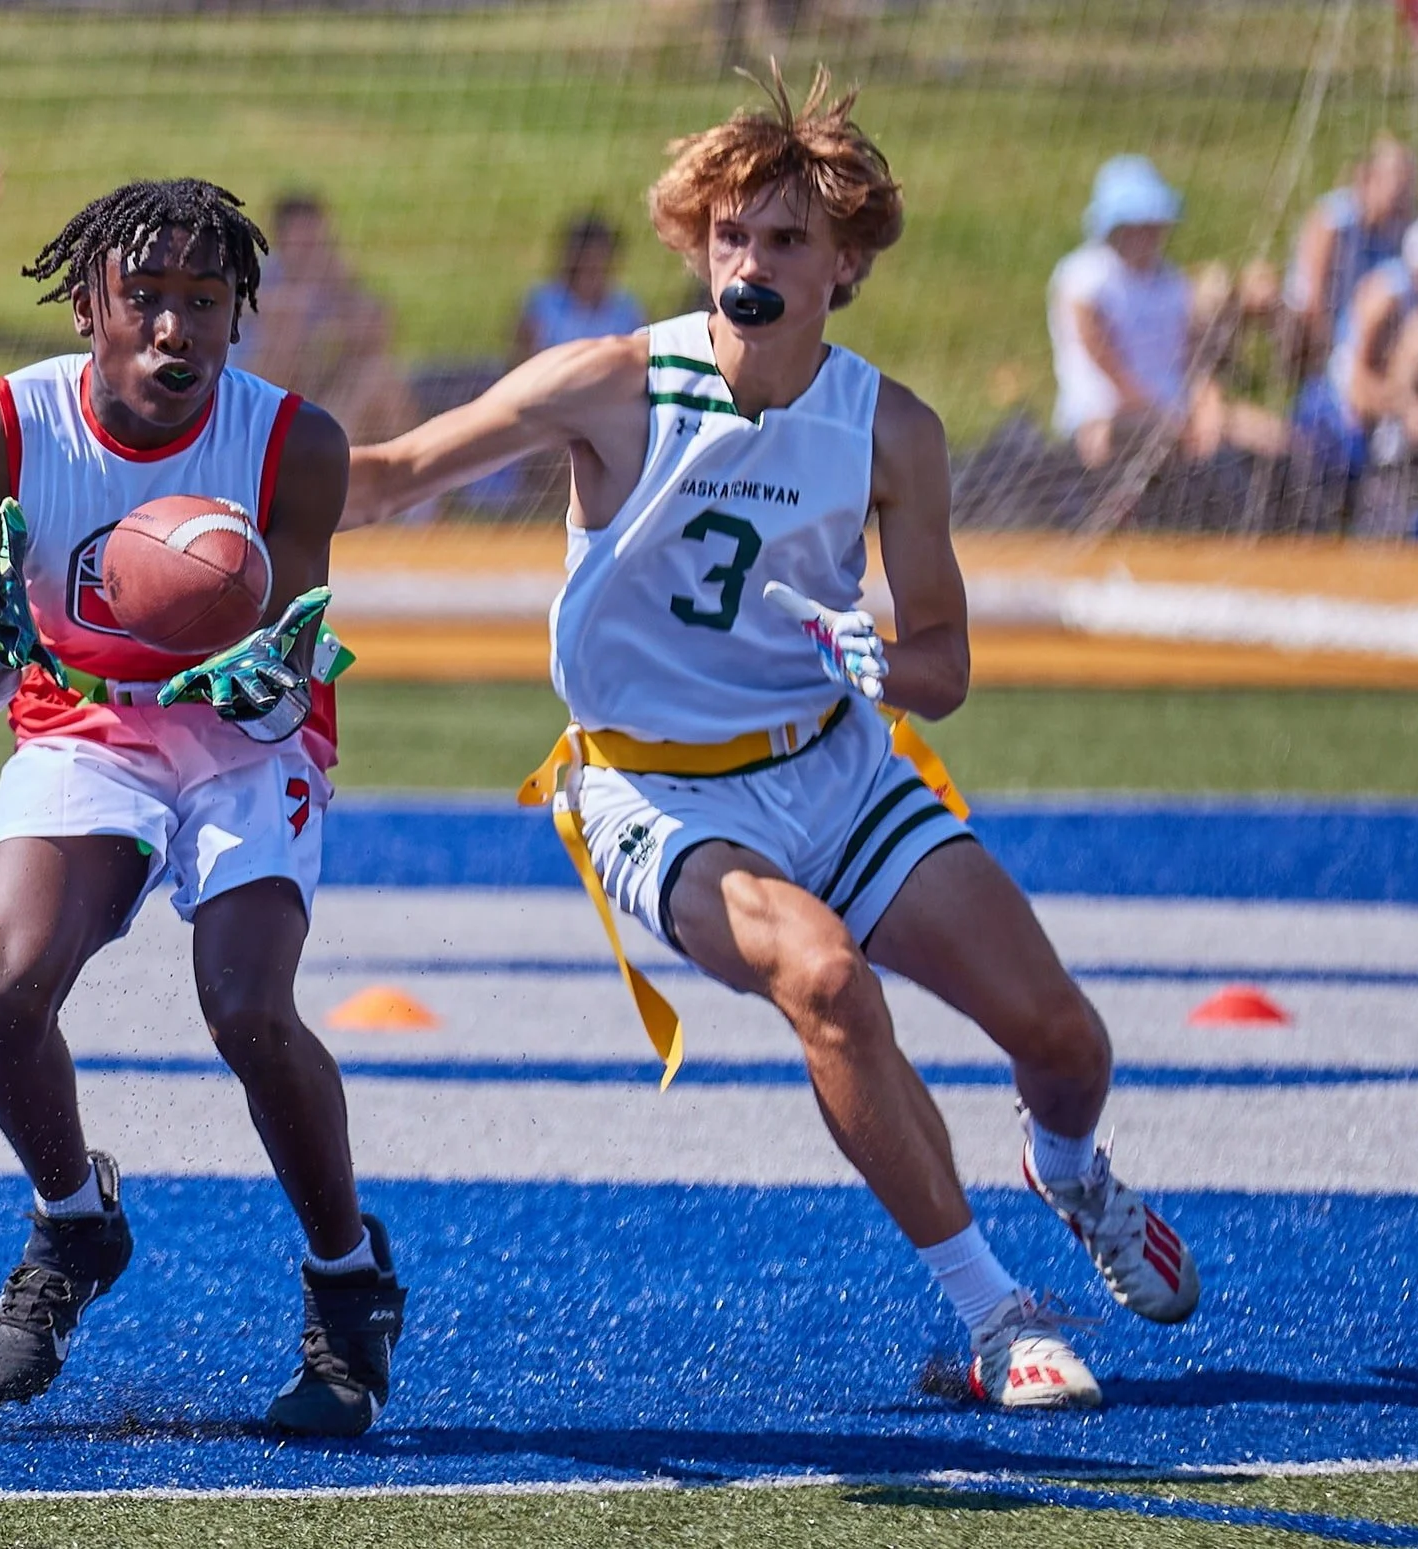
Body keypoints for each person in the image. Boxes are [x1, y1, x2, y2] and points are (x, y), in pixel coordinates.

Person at [343, 68, 1198, 1408]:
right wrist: (209, 463)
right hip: (657, 792)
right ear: (696, 245)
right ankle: (994, 1316)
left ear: (844, 263)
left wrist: (878, 661)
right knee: (825, 980)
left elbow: (944, 668)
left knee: (1064, 1039)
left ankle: (1067, 1170)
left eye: (785, 239)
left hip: (834, 768)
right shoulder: (614, 384)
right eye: (729, 233)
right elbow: (390, 474)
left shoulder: (889, 430)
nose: (748, 261)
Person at [0, 178, 404, 1437]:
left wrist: (260, 666)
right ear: (87, 304)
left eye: (204, 300)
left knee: (246, 1007)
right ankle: (72, 1225)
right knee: (2, 990)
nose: (173, 327)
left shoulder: (293, 443)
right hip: (83, 718)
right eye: (143, 295)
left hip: (241, 739)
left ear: (238, 315)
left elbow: (289, 669)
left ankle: (348, 1281)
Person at [1047, 154, 1284, 468]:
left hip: (1176, 413)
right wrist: (1164, 417)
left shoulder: (1171, 282)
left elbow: (1193, 360)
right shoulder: (1085, 277)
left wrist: (1207, 408)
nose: (1148, 233)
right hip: (1105, 417)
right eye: (1137, 225)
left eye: (1153, 224)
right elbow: (1105, 361)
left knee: (1275, 437)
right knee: (1149, 438)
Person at [229, 193, 420, 446]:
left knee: (380, 377)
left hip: (320, 398)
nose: (312, 248)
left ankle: (411, 464)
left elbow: (379, 332)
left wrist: (342, 292)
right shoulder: (260, 281)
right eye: (303, 242)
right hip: (259, 410)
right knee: (287, 331)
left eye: (317, 239)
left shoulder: (332, 279)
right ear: (282, 241)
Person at [1298, 218, 1418, 475]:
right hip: (1343, 411)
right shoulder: (1390, 295)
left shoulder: (1408, 296)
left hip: (1380, 405)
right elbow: (1355, 380)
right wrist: (1404, 410)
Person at [1285, 134, 1417, 377]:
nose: (1404, 191)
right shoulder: (1337, 218)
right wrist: (1331, 345)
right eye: (1398, 178)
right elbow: (1312, 290)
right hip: (1308, 326)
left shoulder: (1395, 231)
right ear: (1371, 178)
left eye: (1409, 183)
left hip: (1356, 332)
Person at [509, 215, 647, 365]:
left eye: (598, 261)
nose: (591, 266)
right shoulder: (542, 305)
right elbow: (522, 360)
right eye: (585, 260)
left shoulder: (626, 310)